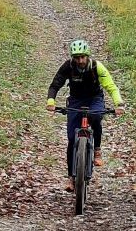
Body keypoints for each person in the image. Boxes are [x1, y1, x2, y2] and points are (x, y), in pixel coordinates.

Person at [46, 39, 125, 192]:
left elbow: (111, 87)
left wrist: (119, 104)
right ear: (72, 57)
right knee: (71, 138)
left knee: (96, 117)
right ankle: (71, 177)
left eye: (82, 56)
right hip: (76, 101)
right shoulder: (68, 66)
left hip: (94, 99)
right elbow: (55, 84)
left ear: (87, 56)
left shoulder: (96, 66)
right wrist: (50, 101)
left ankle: (97, 149)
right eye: (76, 57)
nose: (80, 60)